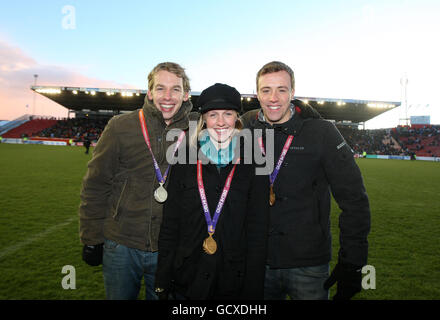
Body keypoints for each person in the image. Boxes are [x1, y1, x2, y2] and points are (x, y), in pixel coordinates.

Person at [241, 61, 371, 300]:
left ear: (293, 93)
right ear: (256, 94)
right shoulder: (244, 127)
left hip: (308, 265)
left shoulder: (321, 132)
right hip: (256, 262)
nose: (273, 98)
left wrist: (353, 261)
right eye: (266, 90)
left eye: (282, 89)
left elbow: (354, 199)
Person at [79, 62, 193, 300]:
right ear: (149, 92)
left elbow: (233, 122)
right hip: (121, 243)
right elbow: (96, 185)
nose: (168, 96)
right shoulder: (121, 126)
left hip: (170, 248)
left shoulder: (197, 129)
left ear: (186, 94)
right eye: (160, 88)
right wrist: (91, 237)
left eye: (175, 89)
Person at [154, 83, 269, 300]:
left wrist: (253, 288)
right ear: (204, 119)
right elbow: (171, 223)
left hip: (233, 280)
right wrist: (162, 278)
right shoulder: (184, 158)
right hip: (187, 277)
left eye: (228, 114)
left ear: (237, 117)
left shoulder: (255, 161)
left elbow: (258, 231)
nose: (221, 122)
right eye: (213, 114)